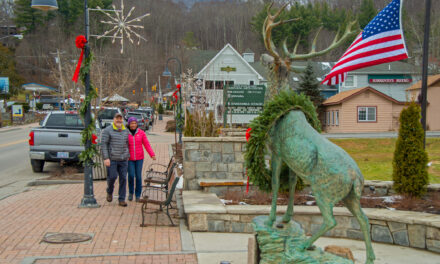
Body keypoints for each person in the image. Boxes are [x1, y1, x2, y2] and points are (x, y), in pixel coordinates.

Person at [101, 112, 129, 207]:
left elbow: (128, 143)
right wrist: (106, 158)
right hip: (112, 159)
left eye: (120, 119)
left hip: (123, 159)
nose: (119, 120)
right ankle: (109, 191)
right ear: (114, 119)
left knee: (123, 179)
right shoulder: (108, 130)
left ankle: (122, 199)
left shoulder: (126, 130)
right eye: (117, 118)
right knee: (112, 177)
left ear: (122, 120)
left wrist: (127, 154)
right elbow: (104, 144)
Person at [127, 117, 156, 202]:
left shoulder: (141, 133)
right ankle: (131, 192)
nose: (133, 125)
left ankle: (138, 194)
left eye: (135, 123)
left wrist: (152, 154)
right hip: (129, 158)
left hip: (139, 158)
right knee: (131, 175)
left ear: (137, 124)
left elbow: (146, 144)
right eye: (131, 123)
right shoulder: (125, 133)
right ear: (129, 124)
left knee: (138, 176)